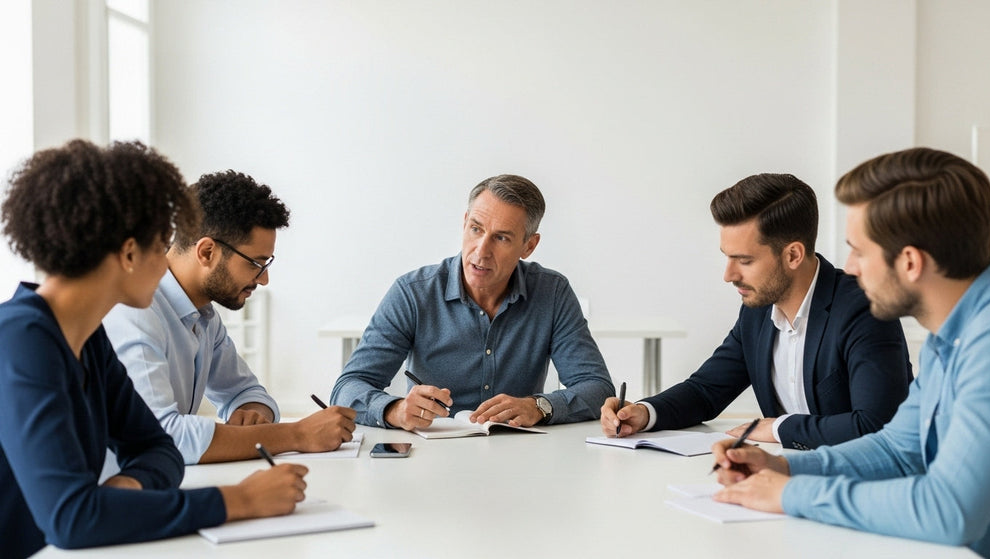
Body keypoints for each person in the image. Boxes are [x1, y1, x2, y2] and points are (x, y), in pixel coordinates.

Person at [0, 140, 308, 559]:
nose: (167, 263)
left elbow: (158, 449)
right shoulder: (20, 341)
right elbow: (72, 519)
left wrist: (122, 492)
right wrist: (240, 501)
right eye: (161, 244)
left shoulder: (86, 338)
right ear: (129, 253)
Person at [711, 148, 990, 559]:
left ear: (910, 262)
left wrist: (793, 494)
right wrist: (782, 468)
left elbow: (949, 511)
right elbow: (896, 448)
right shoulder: (952, 335)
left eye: (859, 251)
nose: (851, 268)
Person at [601, 173, 913, 449]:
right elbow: (706, 391)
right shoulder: (758, 311)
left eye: (744, 260)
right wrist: (643, 413)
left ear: (792, 255)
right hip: (778, 477)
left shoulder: (864, 308)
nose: (729, 275)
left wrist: (778, 428)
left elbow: (877, 425)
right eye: (727, 257)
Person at [103, 170, 355, 464]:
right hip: (115, 494)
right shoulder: (134, 310)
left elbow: (245, 391)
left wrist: (252, 413)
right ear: (207, 251)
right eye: (255, 264)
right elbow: (164, 437)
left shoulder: (204, 314)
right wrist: (297, 434)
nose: (264, 280)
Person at [331, 174, 615, 430]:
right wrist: (395, 409)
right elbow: (347, 388)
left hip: (521, 457)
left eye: (501, 237)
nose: (481, 251)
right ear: (464, 222)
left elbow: (597, 388)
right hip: (431, 457)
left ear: (529, 246)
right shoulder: (413, 292)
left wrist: (539, 406)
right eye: (476, 229)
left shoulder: (552, 293)